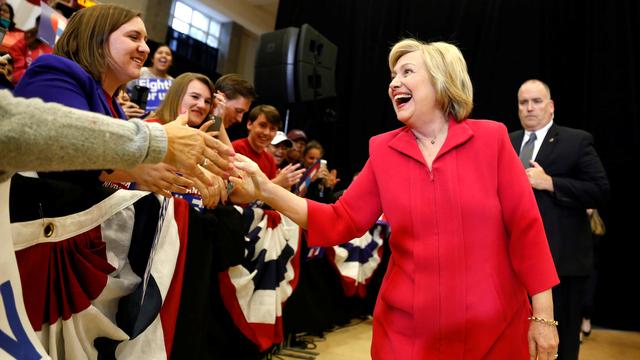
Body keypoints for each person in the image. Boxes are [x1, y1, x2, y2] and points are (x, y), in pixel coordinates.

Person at [230, 38, 560, 359]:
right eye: (392, 76)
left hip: (494, 331)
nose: (394, 84)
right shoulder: (384, 151)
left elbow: (526, 229)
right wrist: (265, 189)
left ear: (441, 80)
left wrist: (543, 317)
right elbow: (338, 220)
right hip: (407, 337)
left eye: (406, 72)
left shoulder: (492, 139)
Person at [13, 4, 220, 197]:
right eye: (134, 37)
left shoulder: (114, 108)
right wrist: (155, 143)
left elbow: (102, 170)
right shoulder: (56, 69)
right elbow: (72, 143)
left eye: (145, 40)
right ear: (96, 39)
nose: (146, 49)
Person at [509, 79, 610, 360]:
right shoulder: (507, 141)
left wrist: (550, 183)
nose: (529, 108)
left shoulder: (576, 141)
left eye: (536, 101)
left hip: (562, 264)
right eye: (523, 102)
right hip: (513, 264)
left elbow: (600, 191)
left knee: (560, 346)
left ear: (551, 107)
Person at [232, 104, 304, 189]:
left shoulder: (269, 159)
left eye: (272, 129)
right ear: (249, 124)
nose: (267, 132)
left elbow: (269, 198)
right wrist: (277, 183)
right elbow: (235, 192)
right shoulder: (235, 148)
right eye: (262, 125)